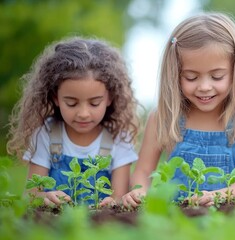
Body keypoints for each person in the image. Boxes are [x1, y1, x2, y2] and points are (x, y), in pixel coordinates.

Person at [122, 12, 235, 208]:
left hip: (224, 218)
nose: (204, 86)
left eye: (217, 76)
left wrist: (217, 195)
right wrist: (140, 190)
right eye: (191, 77)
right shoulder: (164, 118)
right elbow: (143, 171)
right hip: (175, 219)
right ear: (175, 74)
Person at [7, 36, 140, 206]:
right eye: (71, 103)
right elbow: (31, 195)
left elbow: (119, 198)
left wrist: (113, 202)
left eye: (94, 103)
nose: (83, 113)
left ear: (110, 98)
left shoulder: (118, 138)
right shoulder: (45, 134)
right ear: (56, 97)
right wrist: (43, 198)